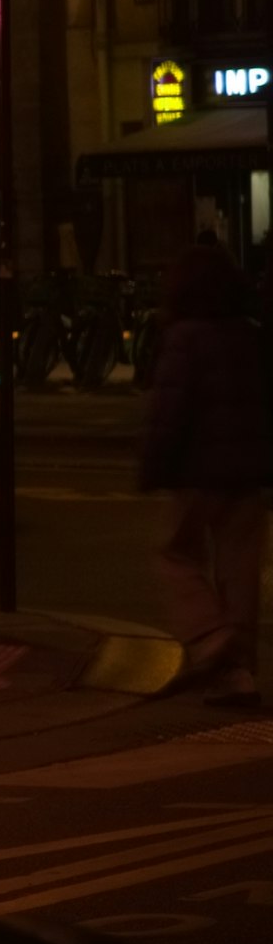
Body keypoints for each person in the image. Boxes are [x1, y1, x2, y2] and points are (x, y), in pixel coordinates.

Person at [139, 239, 266, 704]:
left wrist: (154, 466)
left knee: (174, 553)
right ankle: (241, 675)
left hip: (197, 471)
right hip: (248, 473)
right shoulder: (248, 332)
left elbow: (169, 412)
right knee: (240, 571)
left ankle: (210, 637)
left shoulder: (184, 336)